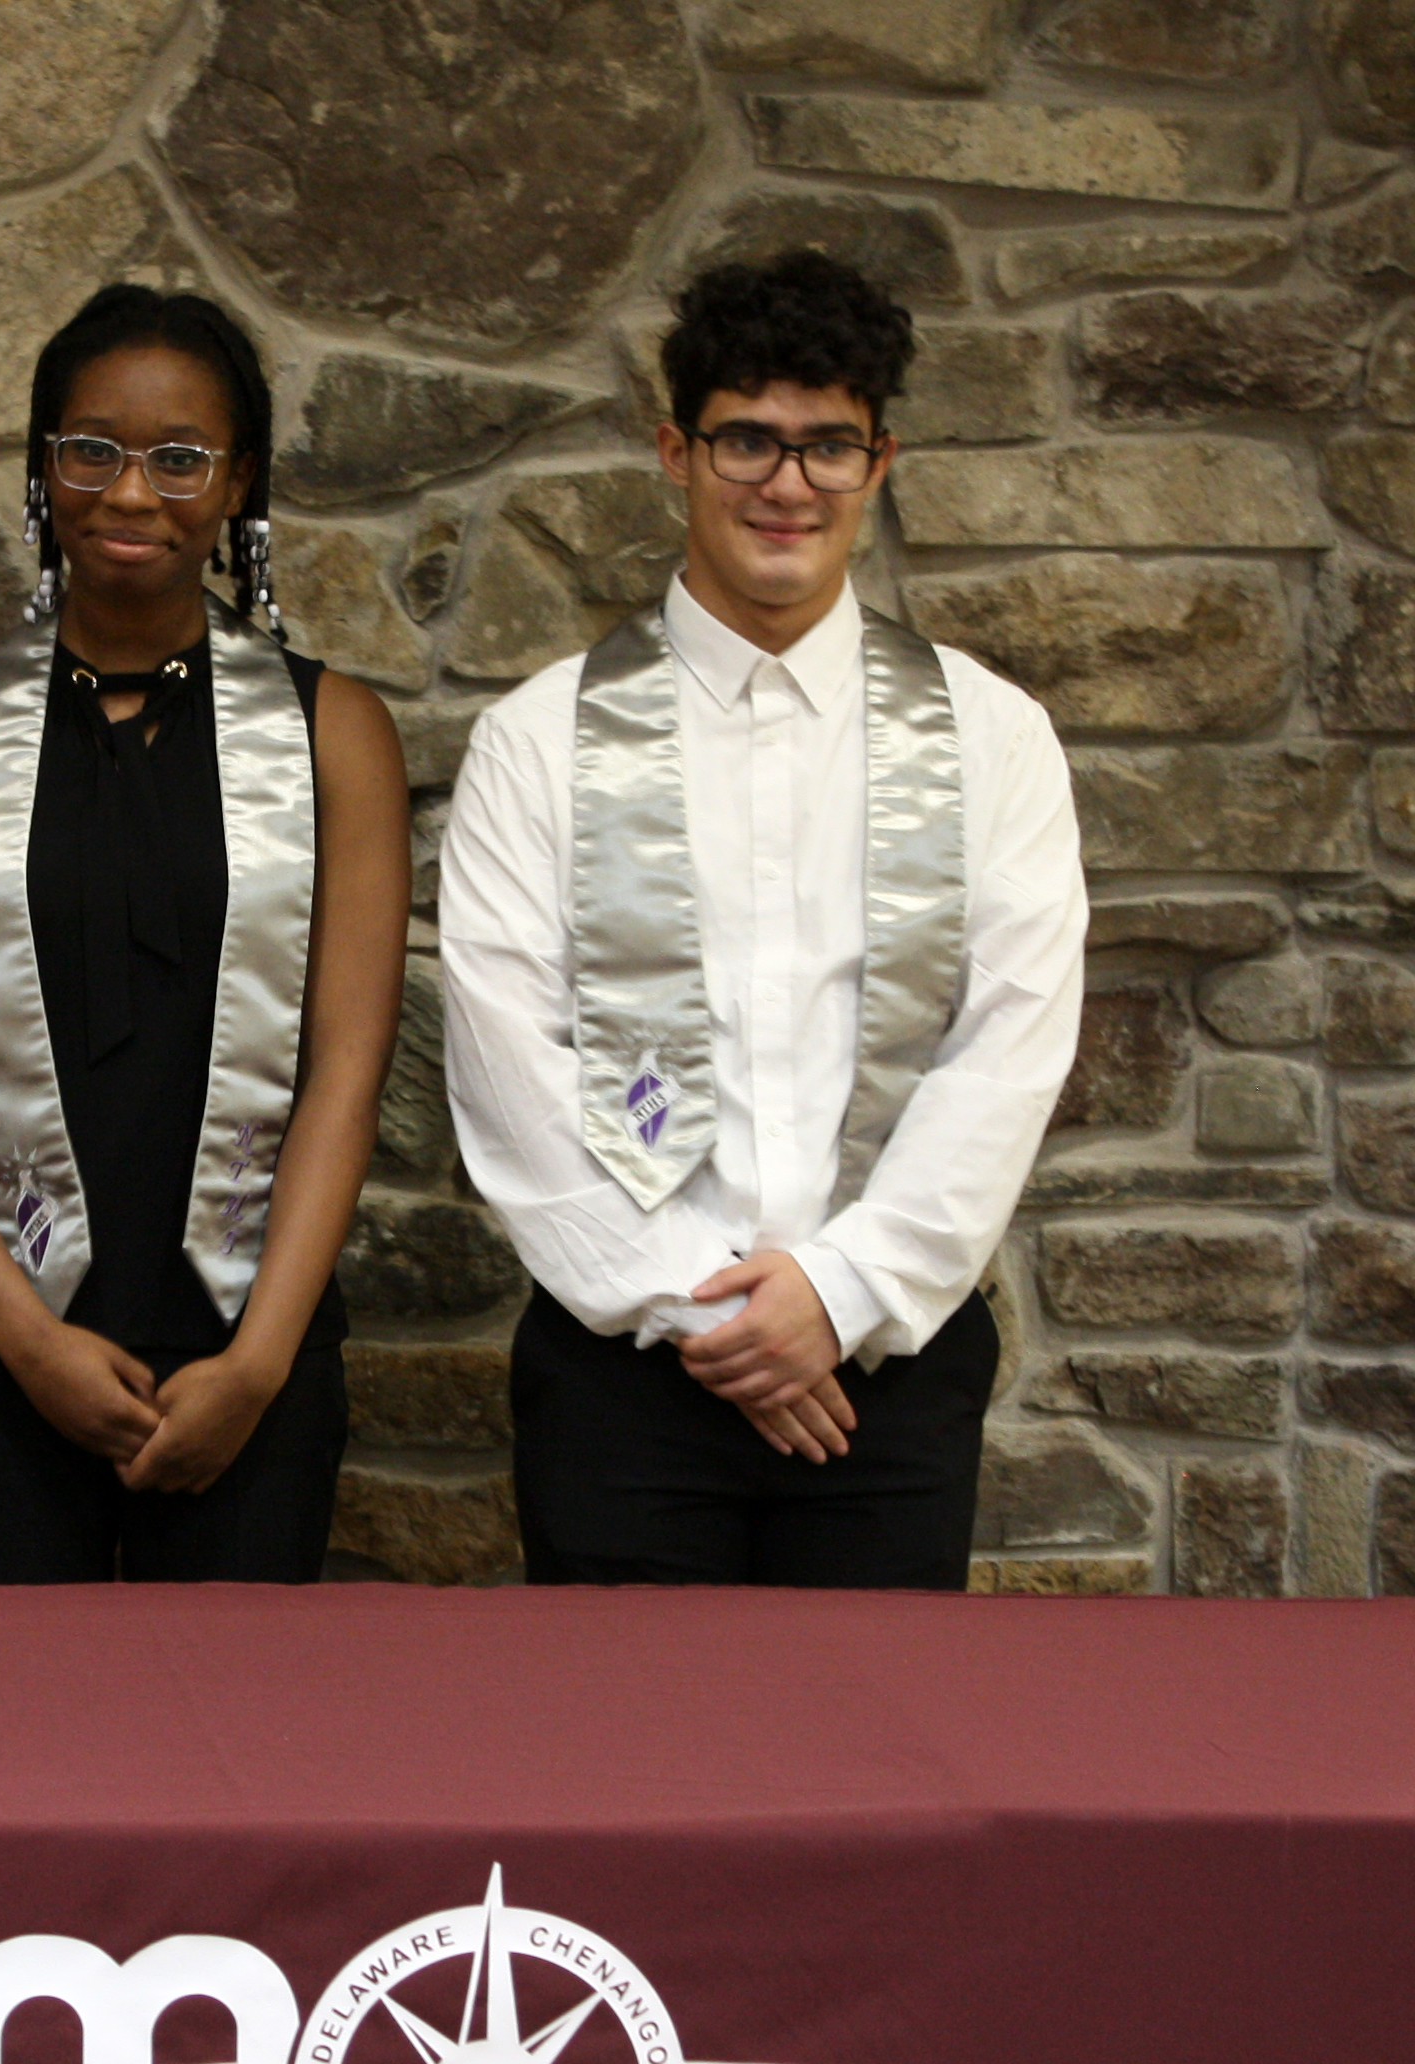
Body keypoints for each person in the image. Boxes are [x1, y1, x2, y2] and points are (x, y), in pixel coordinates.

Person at [441, 250, 1085, 1590]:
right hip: (624, 1380)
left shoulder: (993, 736)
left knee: (875, 1778)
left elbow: (1011, 1044)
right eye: (747, 438)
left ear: (880, 461)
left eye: (826, 446)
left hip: (883, 1378)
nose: (786, 484)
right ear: (675, 449)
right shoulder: (540, 740)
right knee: (631, 1779)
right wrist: (712, 1313)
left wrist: (838, 1294)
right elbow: (509, 1063)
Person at [0, 285, 409, 1582]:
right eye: (92, 449)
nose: (130, 492)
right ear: (43, 470)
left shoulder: (334, 733)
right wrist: (23, 1341)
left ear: (238, 486)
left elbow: (348, 1067)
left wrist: (261, 1362)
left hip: (248, 1343)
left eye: (179, 458)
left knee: (234, 1757)